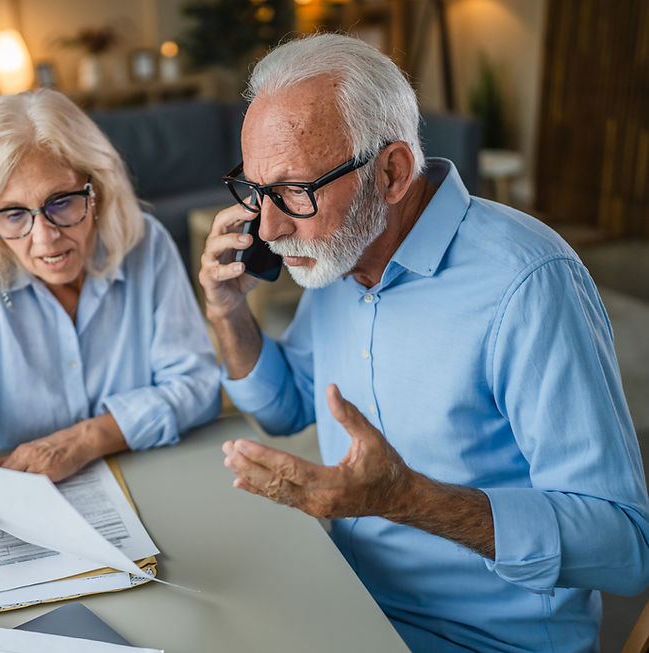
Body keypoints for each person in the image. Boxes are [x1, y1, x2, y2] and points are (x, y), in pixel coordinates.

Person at [201, 33, 649, 652]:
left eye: (295, 191)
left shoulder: (529, 283)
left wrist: (408, 500)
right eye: (257, 191)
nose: (270, 228)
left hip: (485, 640)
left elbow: (625, 549)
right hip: (349, 601)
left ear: (391, 173)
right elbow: (286, 408)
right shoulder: (334, 252)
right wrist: (229, 314)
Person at [0, 89, 221, 542]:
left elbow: (198, 386)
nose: (45, 239)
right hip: (8, 524)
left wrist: (88, 439)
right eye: (11, 214)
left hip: (150, 498)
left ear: (97, 187)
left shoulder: (148, 247)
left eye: (62, 201)